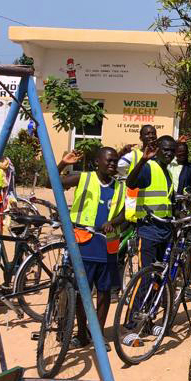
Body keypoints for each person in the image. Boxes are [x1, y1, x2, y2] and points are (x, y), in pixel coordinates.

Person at [57, 147, 127, 348]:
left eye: (115, 161)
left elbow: (125, 212)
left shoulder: (120, 187)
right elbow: (52, 183)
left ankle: (98, 334)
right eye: (109, 160)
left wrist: (113, 222)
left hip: (107, 245)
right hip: (83, 244)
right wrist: (63, 164)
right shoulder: (84, 178)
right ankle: (81, 333)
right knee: (82, 291)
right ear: (97, 162)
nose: (112, 164)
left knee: (104, 292)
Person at [125, 135, 177, 270]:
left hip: (164, 229)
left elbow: (169, 201)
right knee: (146, 273)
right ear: (157, 149)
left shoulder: (168, 173)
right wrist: (143, 160)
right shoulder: (149, 167)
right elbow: (130, 183)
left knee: (160, 273)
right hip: (149, 229)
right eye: (166, 150)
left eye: (172, 150)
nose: (169, 153)